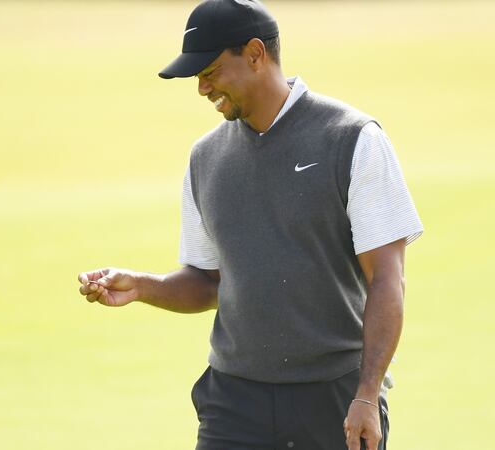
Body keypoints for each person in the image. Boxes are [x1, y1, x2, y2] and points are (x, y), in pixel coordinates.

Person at [77, 1, 423, 449]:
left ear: (256, 54)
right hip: (234, 401)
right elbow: (208, 281)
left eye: (211, 71)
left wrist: (367, 395)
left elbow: (387, 279)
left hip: (332, 397)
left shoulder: (352, 138)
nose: (202, 88)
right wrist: (143, 286)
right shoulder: (206, 158)